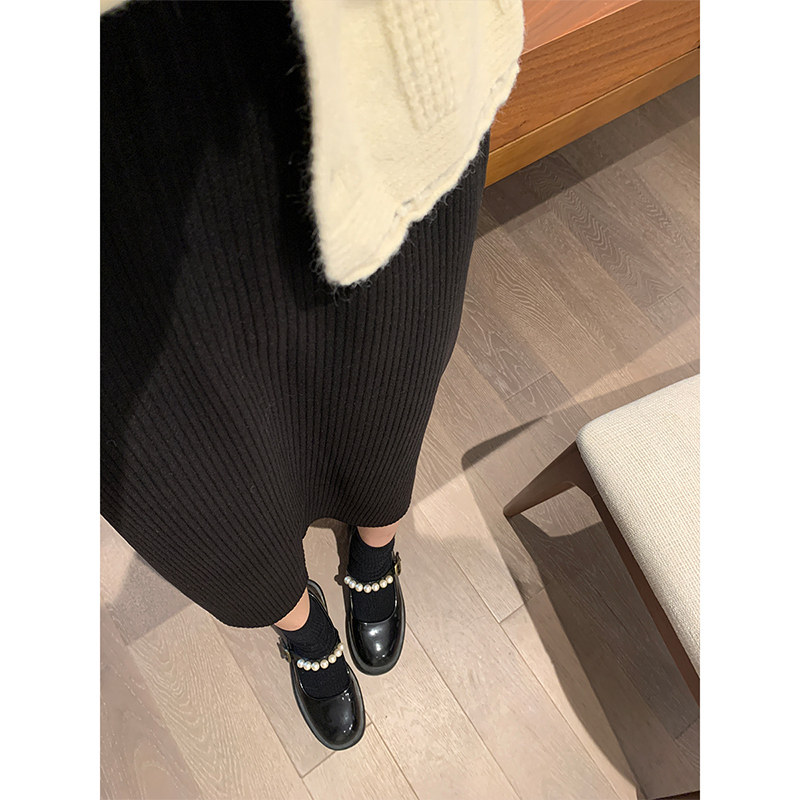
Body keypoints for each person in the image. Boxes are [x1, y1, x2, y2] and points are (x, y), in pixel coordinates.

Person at [101, 0, 520, 750]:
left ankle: (374, 545)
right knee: (185, 462)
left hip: (365, 36)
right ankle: (299, 623)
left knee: (390, 345)